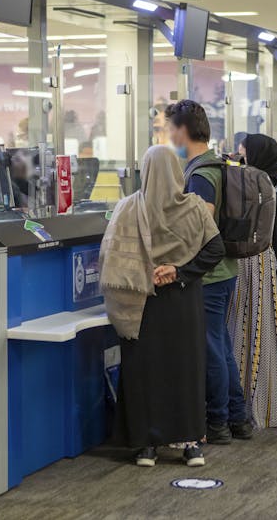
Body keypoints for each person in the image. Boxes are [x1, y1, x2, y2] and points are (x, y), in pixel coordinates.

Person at [101, 145, 223, 468]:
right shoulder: (195, 208)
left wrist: (145, 273)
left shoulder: (129, 207)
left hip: (144, 302)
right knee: (186, 370)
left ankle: (146, 446)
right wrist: (181, 273)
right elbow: (215, 250)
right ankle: (191, 446)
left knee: (145, 371)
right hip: (184, 302)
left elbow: (109, 256)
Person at [165, 99, 253, 444]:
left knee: (211, 349)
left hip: (209, 274)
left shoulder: (201, 173)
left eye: (171, 128)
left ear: (183, 130)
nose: (170, 135)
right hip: (223, 269)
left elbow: (197, 226)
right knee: (221, 345)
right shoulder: (218, 164)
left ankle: (217, 422)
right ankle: (237, 418)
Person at [227, 134, 277, 429]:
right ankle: (261, 403)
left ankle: (240, 402)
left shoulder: (251, 180)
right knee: (260, 332)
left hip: (246, 262)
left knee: (239, 331)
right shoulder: (270, 180)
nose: (239, 156)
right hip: (264, 262)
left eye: (243, 152)